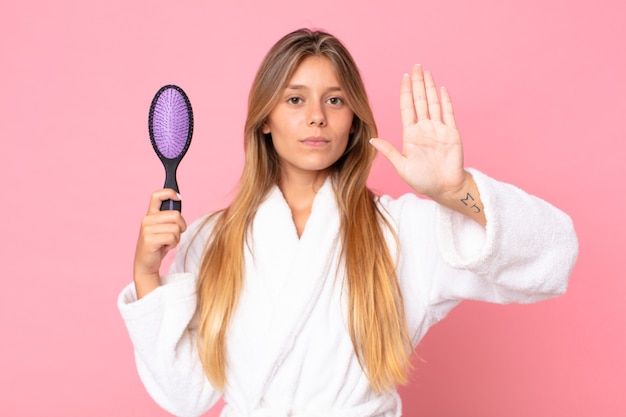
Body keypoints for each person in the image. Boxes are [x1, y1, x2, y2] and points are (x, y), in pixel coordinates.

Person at [118, 28, 578, 417]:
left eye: (334, 100)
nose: (316, 115)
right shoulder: (211, 239)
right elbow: (184, 394)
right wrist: (145, 275)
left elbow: (552, 258)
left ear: (354, 121)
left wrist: (453, 190)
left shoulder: (399, 231)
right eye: (295, 99)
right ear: (264, 120)